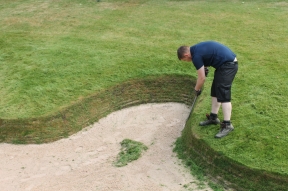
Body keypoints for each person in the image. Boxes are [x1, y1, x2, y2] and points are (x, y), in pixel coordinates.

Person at [177, 41, 238, 138]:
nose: (187, 61)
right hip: (222, 65)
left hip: (228, 65)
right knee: (215, 92)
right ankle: (213, 118)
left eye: (185, 60)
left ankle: (227, 125)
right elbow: (207, 56)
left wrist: (196, 89)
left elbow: (202, 78)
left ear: (186, 55)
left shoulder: (195, 57)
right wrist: (205, 68)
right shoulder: (195, 49)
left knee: (223, 94)